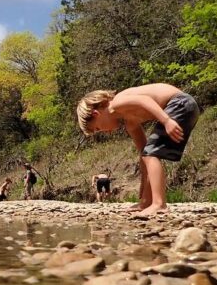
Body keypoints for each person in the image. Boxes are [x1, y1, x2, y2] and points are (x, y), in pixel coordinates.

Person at [76, 84, 200, 216]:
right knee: (149, 154)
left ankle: (159, 204)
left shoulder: (116, 103)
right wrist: (144, 186)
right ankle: (147, 202)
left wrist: (166, 120)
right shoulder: (130, 121)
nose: (105, 132)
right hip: (185, 106)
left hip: (180, 103)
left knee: (150, 154)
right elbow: (144, 154)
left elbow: (145, 100)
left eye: (98, 128)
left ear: (96, 114)